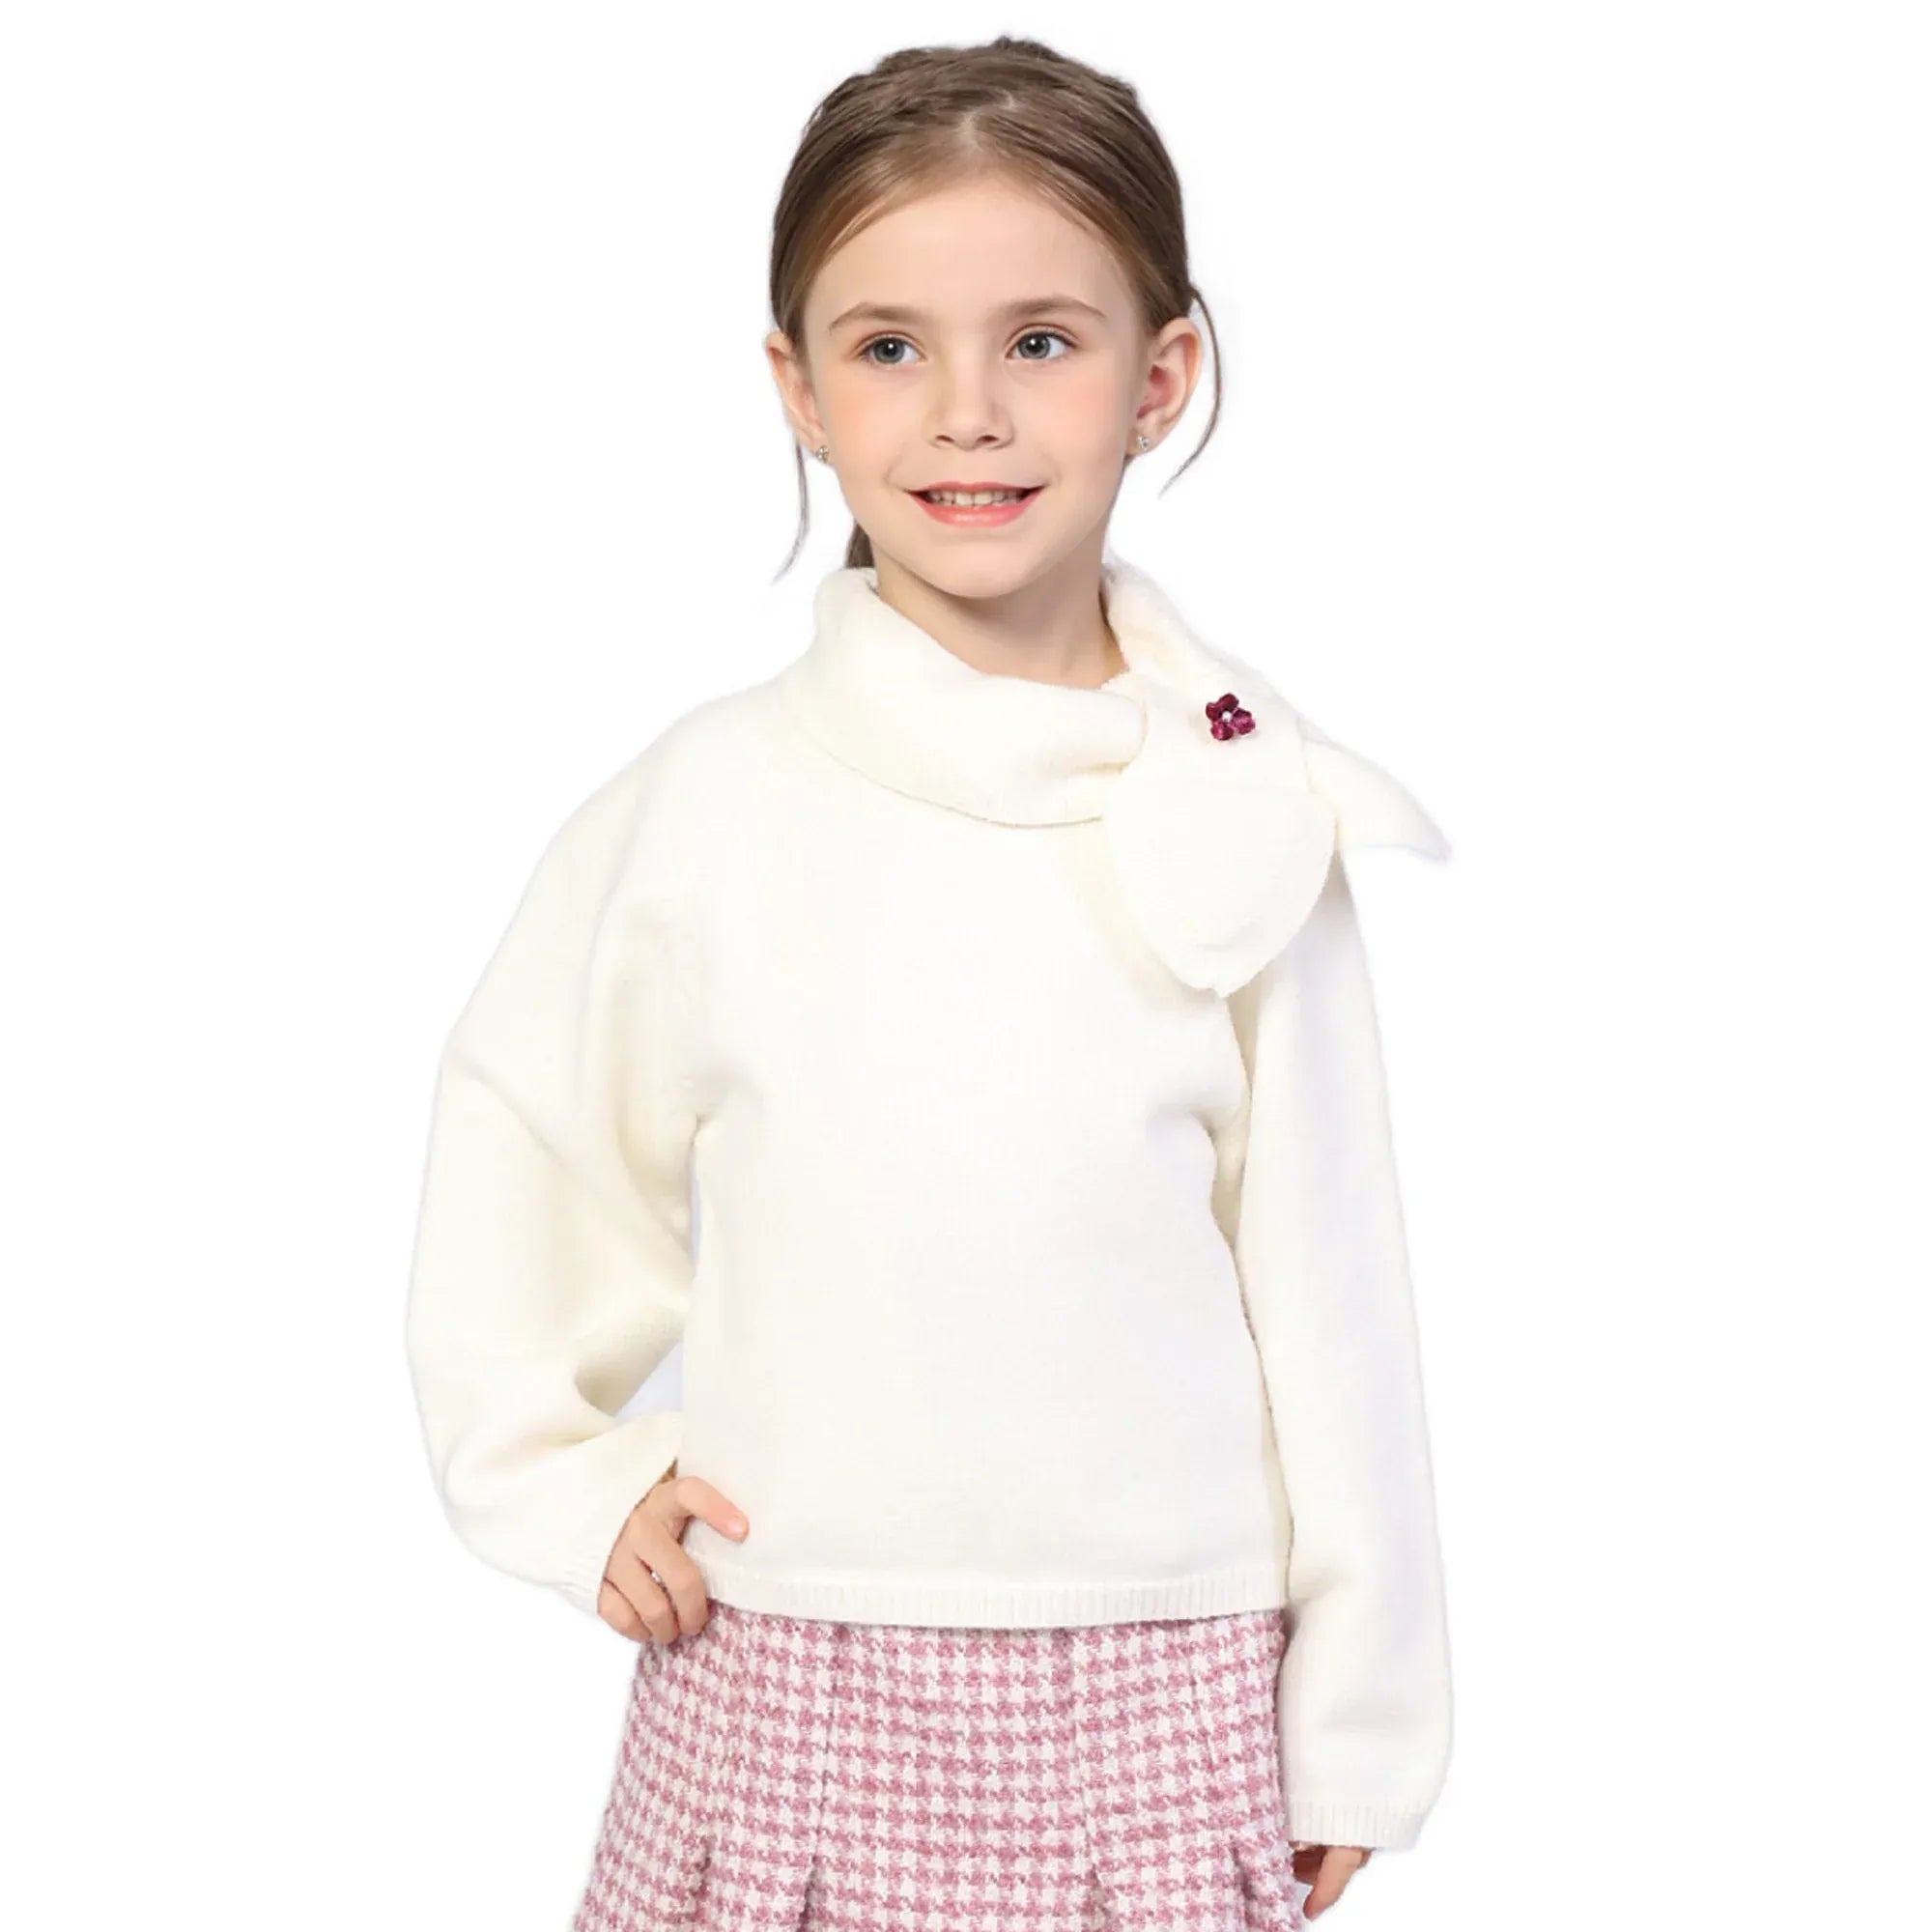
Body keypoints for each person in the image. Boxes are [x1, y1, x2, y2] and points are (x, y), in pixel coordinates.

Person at [405, 34, 1454, 1931]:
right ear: (798, 389)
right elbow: (527, 1145)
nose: (967, 413)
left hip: (1164, 1694)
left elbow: (1333, 1284)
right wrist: (564, 1478)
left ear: (1160, 377)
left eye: (1040, 340)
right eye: (889, 346)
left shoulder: (1242, 809)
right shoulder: (705, 808)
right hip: (783, 1672)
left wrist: (1362, 1712)